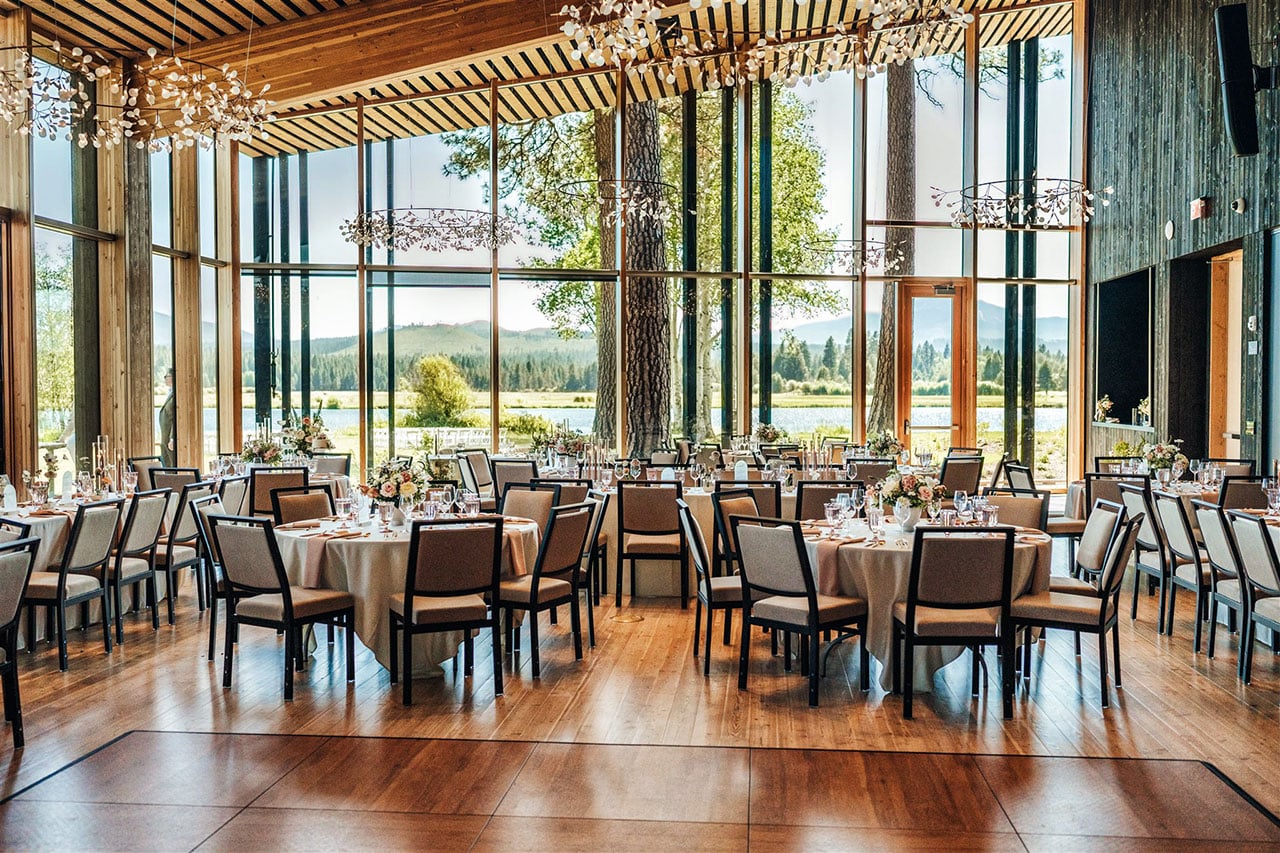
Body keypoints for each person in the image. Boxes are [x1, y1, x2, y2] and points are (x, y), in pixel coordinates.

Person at [158, 367, 176, 466]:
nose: (165, 378)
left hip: (169, 438)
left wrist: (172, 438)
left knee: (172, 464)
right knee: (166, 464)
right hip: (165, 438)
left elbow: (175, 418)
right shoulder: (170, 392)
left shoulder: (176, 394)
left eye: (167, 376)